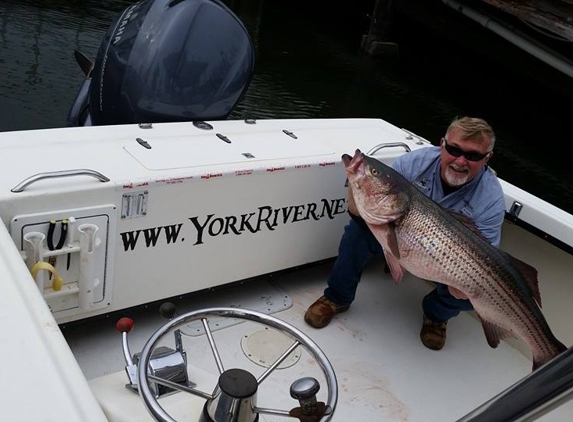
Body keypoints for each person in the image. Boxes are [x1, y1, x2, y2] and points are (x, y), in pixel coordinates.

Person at [304, 116, 506, 350]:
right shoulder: (414, 163)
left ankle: (435, 316)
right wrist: (358, 184)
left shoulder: (491, 199)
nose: (460, 161)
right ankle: (337, 297)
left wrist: (465, 286)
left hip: (448, 260)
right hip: (400, 234)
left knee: (476, 291)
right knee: (356, 234)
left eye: (473, 156)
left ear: (487, 158)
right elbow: (360, 212)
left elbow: (486, 255)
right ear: (442, 144)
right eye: (453, 149)